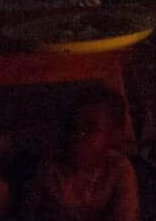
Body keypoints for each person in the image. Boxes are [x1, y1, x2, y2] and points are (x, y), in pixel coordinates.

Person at [22, 87, 139, 221]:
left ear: (113, 136)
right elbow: (27, 213)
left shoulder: (118, 169)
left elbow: (125, 216)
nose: (77, 135)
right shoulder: (50, 167)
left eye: (90, 128)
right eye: (73, 127)